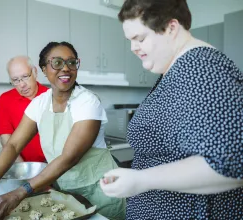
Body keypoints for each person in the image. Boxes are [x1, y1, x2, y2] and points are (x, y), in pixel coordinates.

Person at [100, 0, 243, 219]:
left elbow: (229, 163)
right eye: (130, 40)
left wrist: (141, 180)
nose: (133, 47)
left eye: (140, 38)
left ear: (171, 28)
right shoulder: (177, 70)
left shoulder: (201, 68)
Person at [0, 42, 126, 220]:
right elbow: (13, 144)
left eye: (71, 62)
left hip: (102, 190)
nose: (66, 68)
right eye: (57, 63)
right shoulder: (40, 104)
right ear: (44, 69)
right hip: (67, 191)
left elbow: (69, 157)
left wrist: (21, 192)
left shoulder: (87, 102)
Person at [0, 56, 48, 162]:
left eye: (25, 76)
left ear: (35, 72)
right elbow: (6, 139)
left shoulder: (50, 96)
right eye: (15, 80)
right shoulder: (5, 100)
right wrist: (23, 168)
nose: (22, 84)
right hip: (21, 163)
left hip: (52, 164)